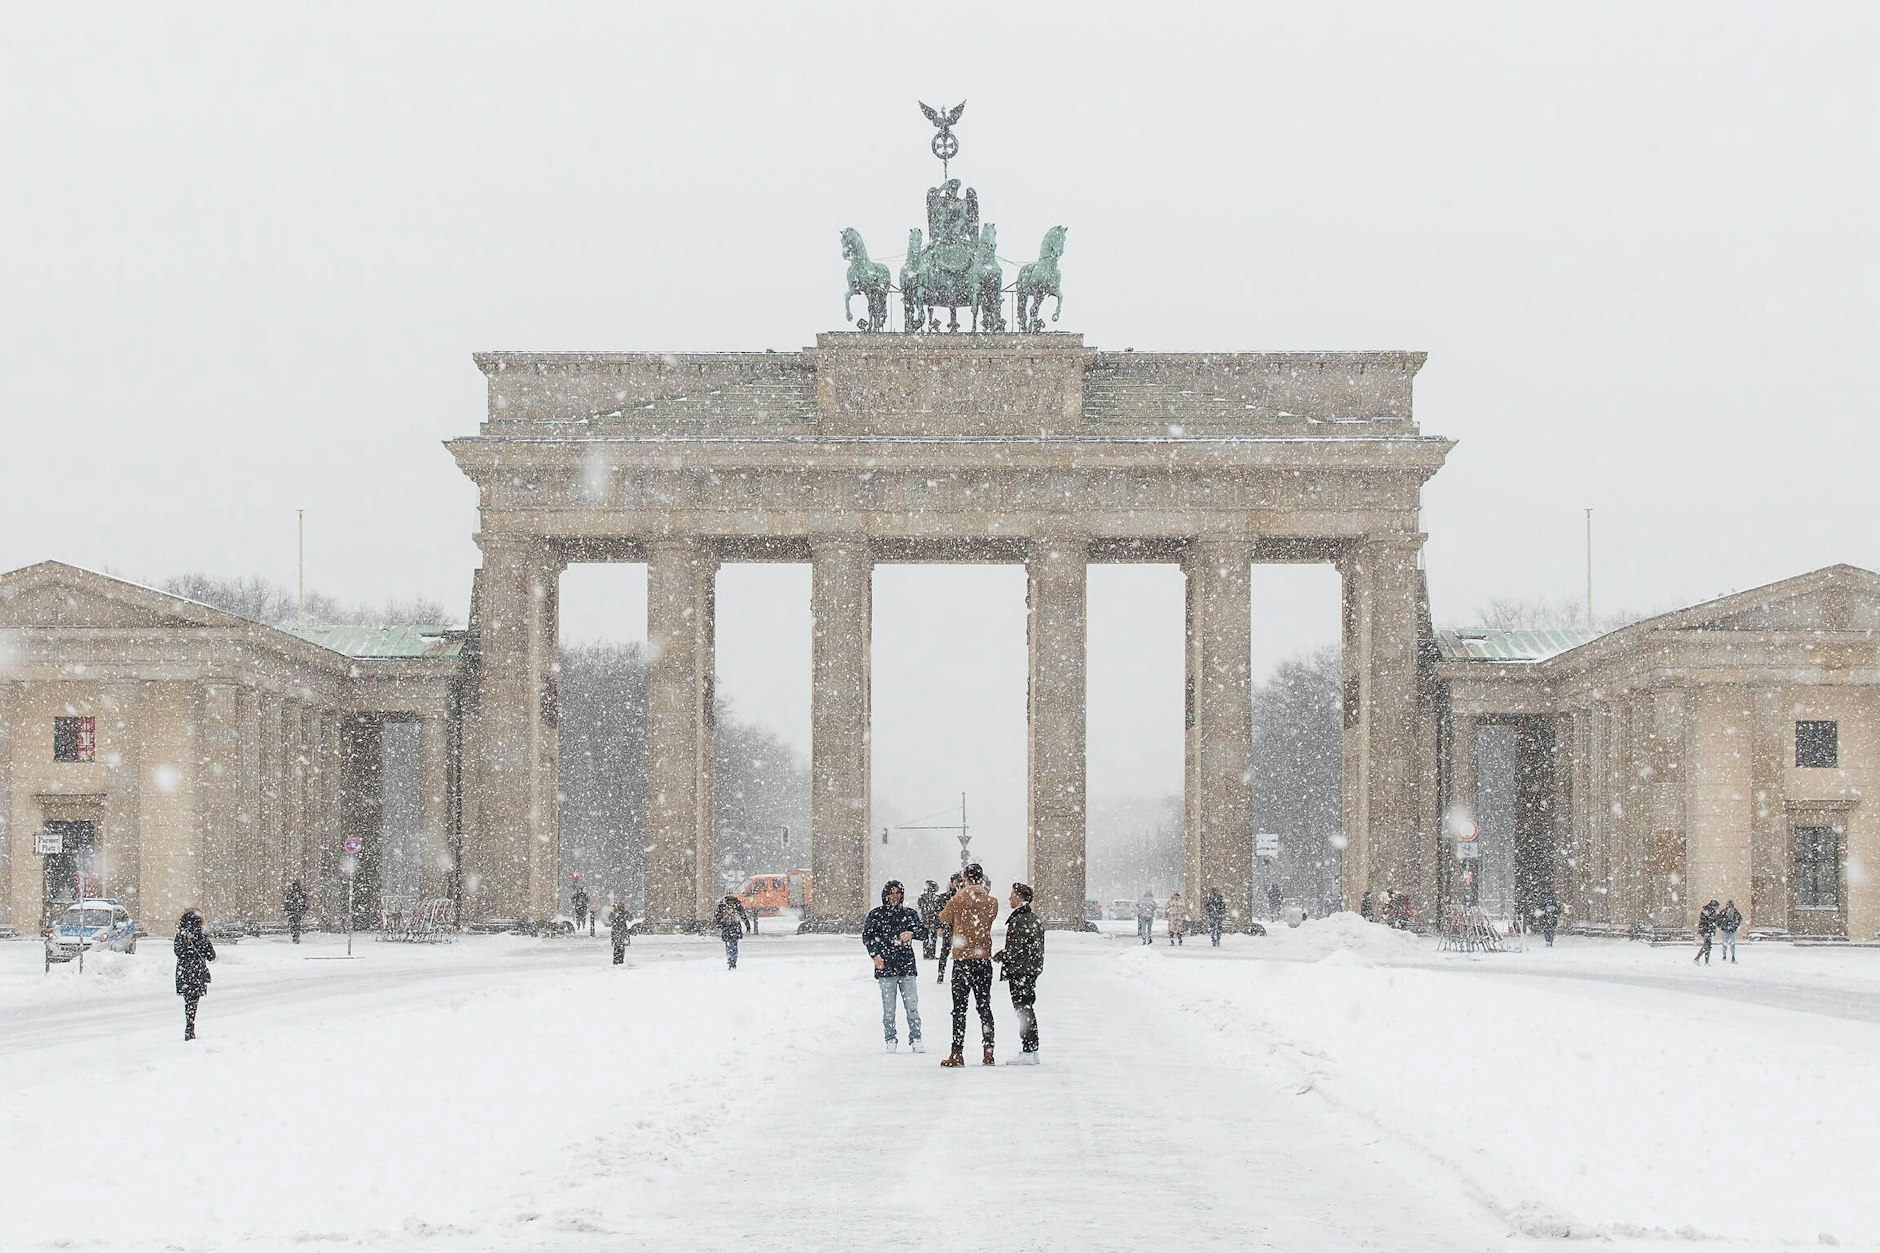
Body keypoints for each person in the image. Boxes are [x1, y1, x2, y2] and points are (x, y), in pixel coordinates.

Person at [936, 863, 1000, 1067]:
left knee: (959, 1009)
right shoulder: (992, 902)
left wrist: (958, 893)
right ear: (982, 879)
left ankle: (957, 1052)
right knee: (984, 1007)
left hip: (962, 960)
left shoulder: (958, 899)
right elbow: (990, 919)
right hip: (982, 959)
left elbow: (943, 918)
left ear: (964, 879)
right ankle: (988, 1051)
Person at [862, 880, 926, 1053]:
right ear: (886, 895)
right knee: (889, 1008)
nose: (895, 896)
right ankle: (890, 1037)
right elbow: (867, 937)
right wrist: (875, 955)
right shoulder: (876, 915)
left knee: (912, 1005)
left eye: (898, 893)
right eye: (892, 893)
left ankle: (916, 1037)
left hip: (906, 966)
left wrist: (912, 933)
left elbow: (924, 932)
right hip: (886, 966)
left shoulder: (909, 914)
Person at [994, 882, 1045, 1065]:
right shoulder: (1033, 918)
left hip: (1020, 971)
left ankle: (1029, 1049)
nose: (1009, 898)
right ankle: (1032, 1048)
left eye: (1012, 894)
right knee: (1027, 1008)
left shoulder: (1020, 920)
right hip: (1028, 971)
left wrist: (1002, 955)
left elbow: (1016, 949)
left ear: (1020, 897)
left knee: (1023, 1010)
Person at [173, 909, 217, 1041]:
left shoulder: (180, 936)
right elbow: (211, 955)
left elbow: (177, 952)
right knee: (194, 1000)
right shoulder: (200, 936)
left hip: (183, 971)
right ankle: (190, 1025)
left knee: (188, 999)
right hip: (197, 971)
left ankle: (189, 1023)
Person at [934, 871, 964, 984]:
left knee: (960, 951)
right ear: (951, 883)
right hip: (949, 926)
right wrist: (939, 927)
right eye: (956, 882)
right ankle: (940, 974)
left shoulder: (962, 896)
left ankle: (959, 974)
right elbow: (938, 913)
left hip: (960, 928)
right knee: (945, 951)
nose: (958, 884)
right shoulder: (945, 897)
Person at [713, 894, 748, 969]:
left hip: (726, 927)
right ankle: (733, 960)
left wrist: (718, 924)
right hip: (735, 927)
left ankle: (730, 958)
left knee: (728, 944)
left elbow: (717, 916)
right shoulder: (736, 903)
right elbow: (743, 915)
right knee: (734, 944)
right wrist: (747, 925)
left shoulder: (722, 904)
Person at [916, 880, 943, 960]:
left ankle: (927, 953)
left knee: (928, 937)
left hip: (927, 921)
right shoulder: (935, 898)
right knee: (932, 937)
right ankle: (930, 954)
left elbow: (921, 907)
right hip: (932, 921)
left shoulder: (923, 897)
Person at [282, 878, 309, 944]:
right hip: (292, 912)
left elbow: (305, 903)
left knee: (296, 925)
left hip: (297, 912)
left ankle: (296, 937)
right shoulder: (291, 893)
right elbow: (287, 902)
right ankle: (294, 936)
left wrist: (302, 911)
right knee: (293, 925)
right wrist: (287, 910)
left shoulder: (301, 893)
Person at [1694, 899, 1720, 965]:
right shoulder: (1707, 912)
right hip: (1706, 930)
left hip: (1707, 930)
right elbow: (1708, 921)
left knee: (1707, 945)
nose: (1717, 908)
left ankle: (1700, 960)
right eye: (1717, 906)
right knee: (1707, 945)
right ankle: (1701, 960)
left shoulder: (1710, 911)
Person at [1716, 899, 1742, 963]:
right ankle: (1729, 956)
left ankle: (1728, 956)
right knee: (1730, 944)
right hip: (1728, 930)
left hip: (1728, 930)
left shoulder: (1728, 912)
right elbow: (1718, 919)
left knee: (1727, 944)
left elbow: (1718, 919)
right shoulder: (1733, 912)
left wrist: (1722, 925)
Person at [609, 900, 633, 965]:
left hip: (618, 931)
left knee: (618, 947)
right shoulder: (620, 913)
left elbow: (630, 918)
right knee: (620, 947)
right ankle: (619, 960)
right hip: (621, 931)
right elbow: (630, 918)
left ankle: (617, 960)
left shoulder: (618, 913)